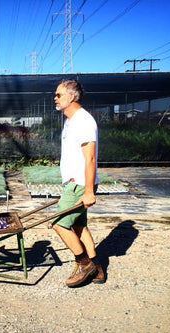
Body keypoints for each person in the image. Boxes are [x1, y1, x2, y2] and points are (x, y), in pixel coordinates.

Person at [52, 79, 105, 287]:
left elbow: (90, 158)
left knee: (59, 224)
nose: (55, 98)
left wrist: (89, 191)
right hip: (74, 183)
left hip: (80, 185)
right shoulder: (71, 120)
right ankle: (98, 269)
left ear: (71, 96)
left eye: (58, 95)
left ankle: (84, 264)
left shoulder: (83, 120)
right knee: (79, 225)